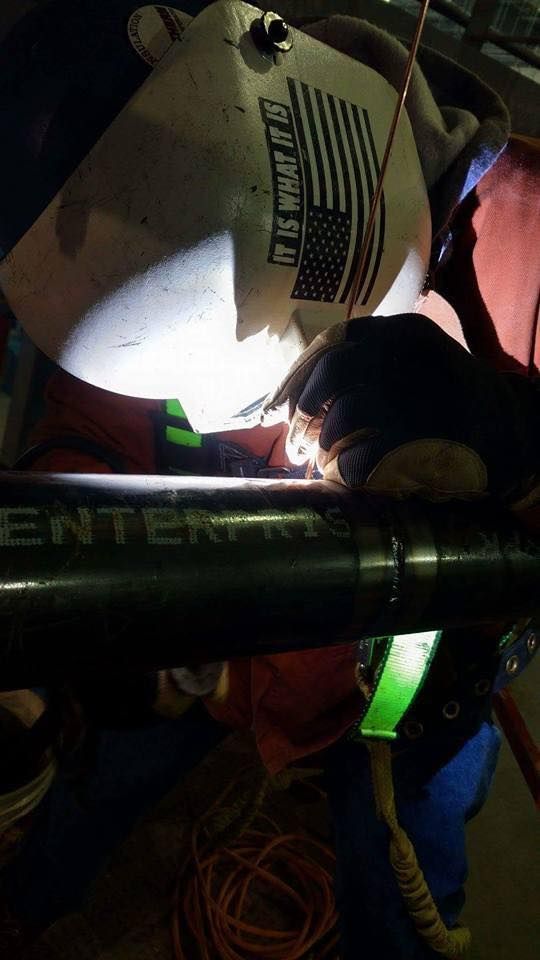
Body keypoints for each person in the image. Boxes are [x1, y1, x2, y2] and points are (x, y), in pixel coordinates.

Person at [0, 2, 538, 958]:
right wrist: (101, 623)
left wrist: (516, 435)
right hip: (207, 668)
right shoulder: (127, 221)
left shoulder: (525, 248)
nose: (213, 416)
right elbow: (82, 426)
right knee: (101, 776)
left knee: (397, 859)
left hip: (414, 688)